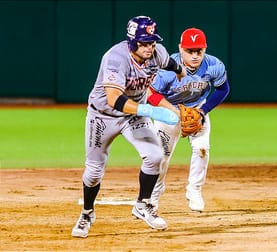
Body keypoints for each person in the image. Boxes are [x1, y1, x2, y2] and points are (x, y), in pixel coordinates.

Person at [71, 15, 186, 238]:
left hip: (133, 116)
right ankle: (87, 213)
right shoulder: (115, 58)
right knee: (94, 172)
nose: (150, 46)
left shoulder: (157, 52)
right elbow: (113, 98)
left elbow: (170, 63)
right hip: (103, 115)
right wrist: (150, 111)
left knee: (155, 156)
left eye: (152, 41)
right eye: (144, 42)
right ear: (132, 41)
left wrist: (181, 72)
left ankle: (143, 205)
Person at [148, 27, 230, 212]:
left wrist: (203, 111)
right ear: (180, 48)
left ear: (205, 49)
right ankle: (153, 195)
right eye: (189, 51)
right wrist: (174, 113)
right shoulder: (167, 67)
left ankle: (194, 190)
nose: (194, 56)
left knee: (202, 148)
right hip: (167, 111)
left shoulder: (213, 65)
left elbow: (223, 89)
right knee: (161, 157)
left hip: (197, 108)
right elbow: (150, 94)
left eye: (198, 51)